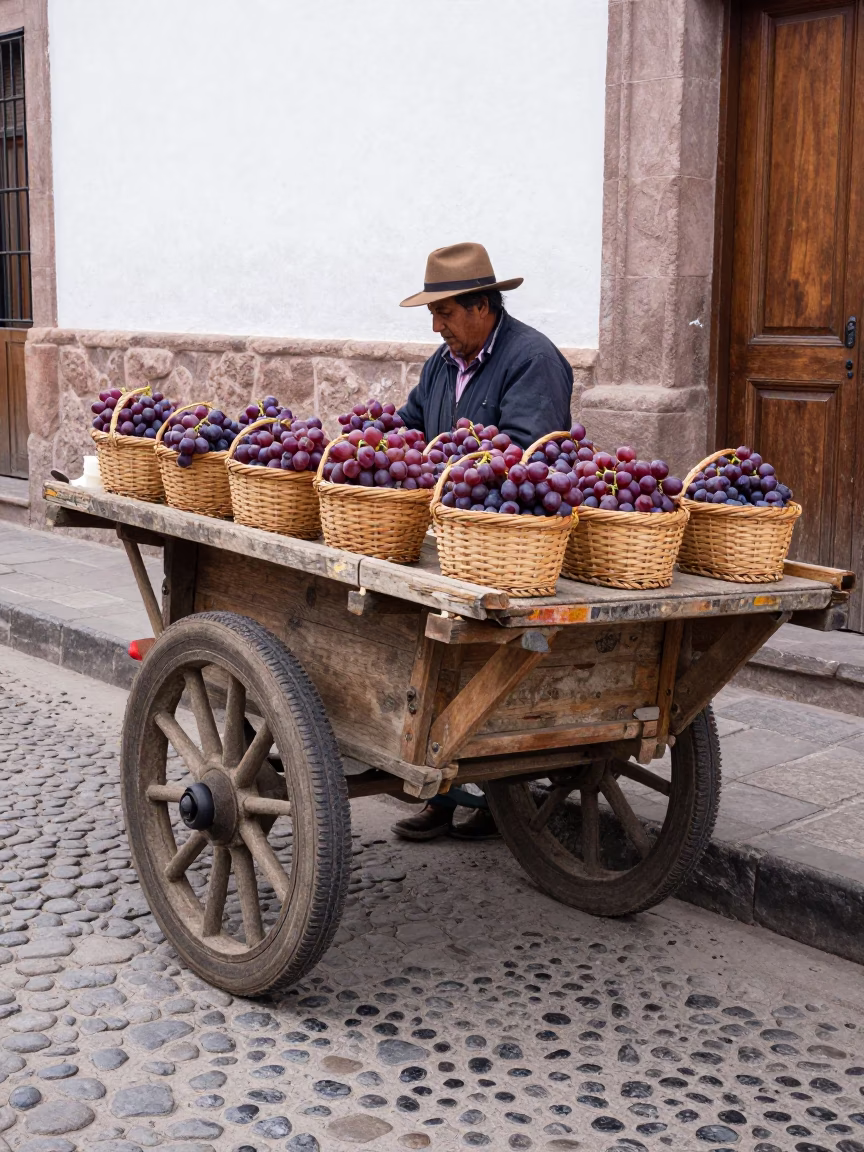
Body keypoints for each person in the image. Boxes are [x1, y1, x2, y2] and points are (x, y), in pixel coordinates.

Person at [391, 242, 574, 843]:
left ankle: (489, 794)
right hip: (451, 538)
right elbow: (414, 428)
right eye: (433, 316)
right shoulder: (442, 364)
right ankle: (445, 795)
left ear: (481, 306)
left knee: (483, 660)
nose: (437, 327)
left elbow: (528, 456)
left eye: (444, 313)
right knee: (435, 652)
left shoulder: (532, 359)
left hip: (507, 543)